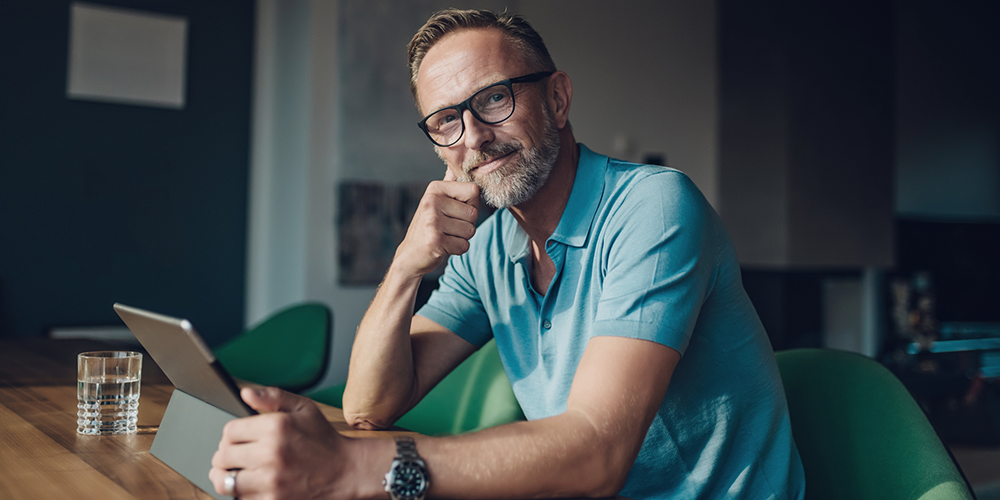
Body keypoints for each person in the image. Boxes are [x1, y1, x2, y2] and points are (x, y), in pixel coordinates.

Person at [210, 9, 805, 500]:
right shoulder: (491, 245)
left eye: (494, 99)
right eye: (446, 120)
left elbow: (598, 454)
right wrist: (404, 267)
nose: (472, 136)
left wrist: (351, 469)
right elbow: (369, 407)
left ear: (558, 98)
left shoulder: (654, 207)